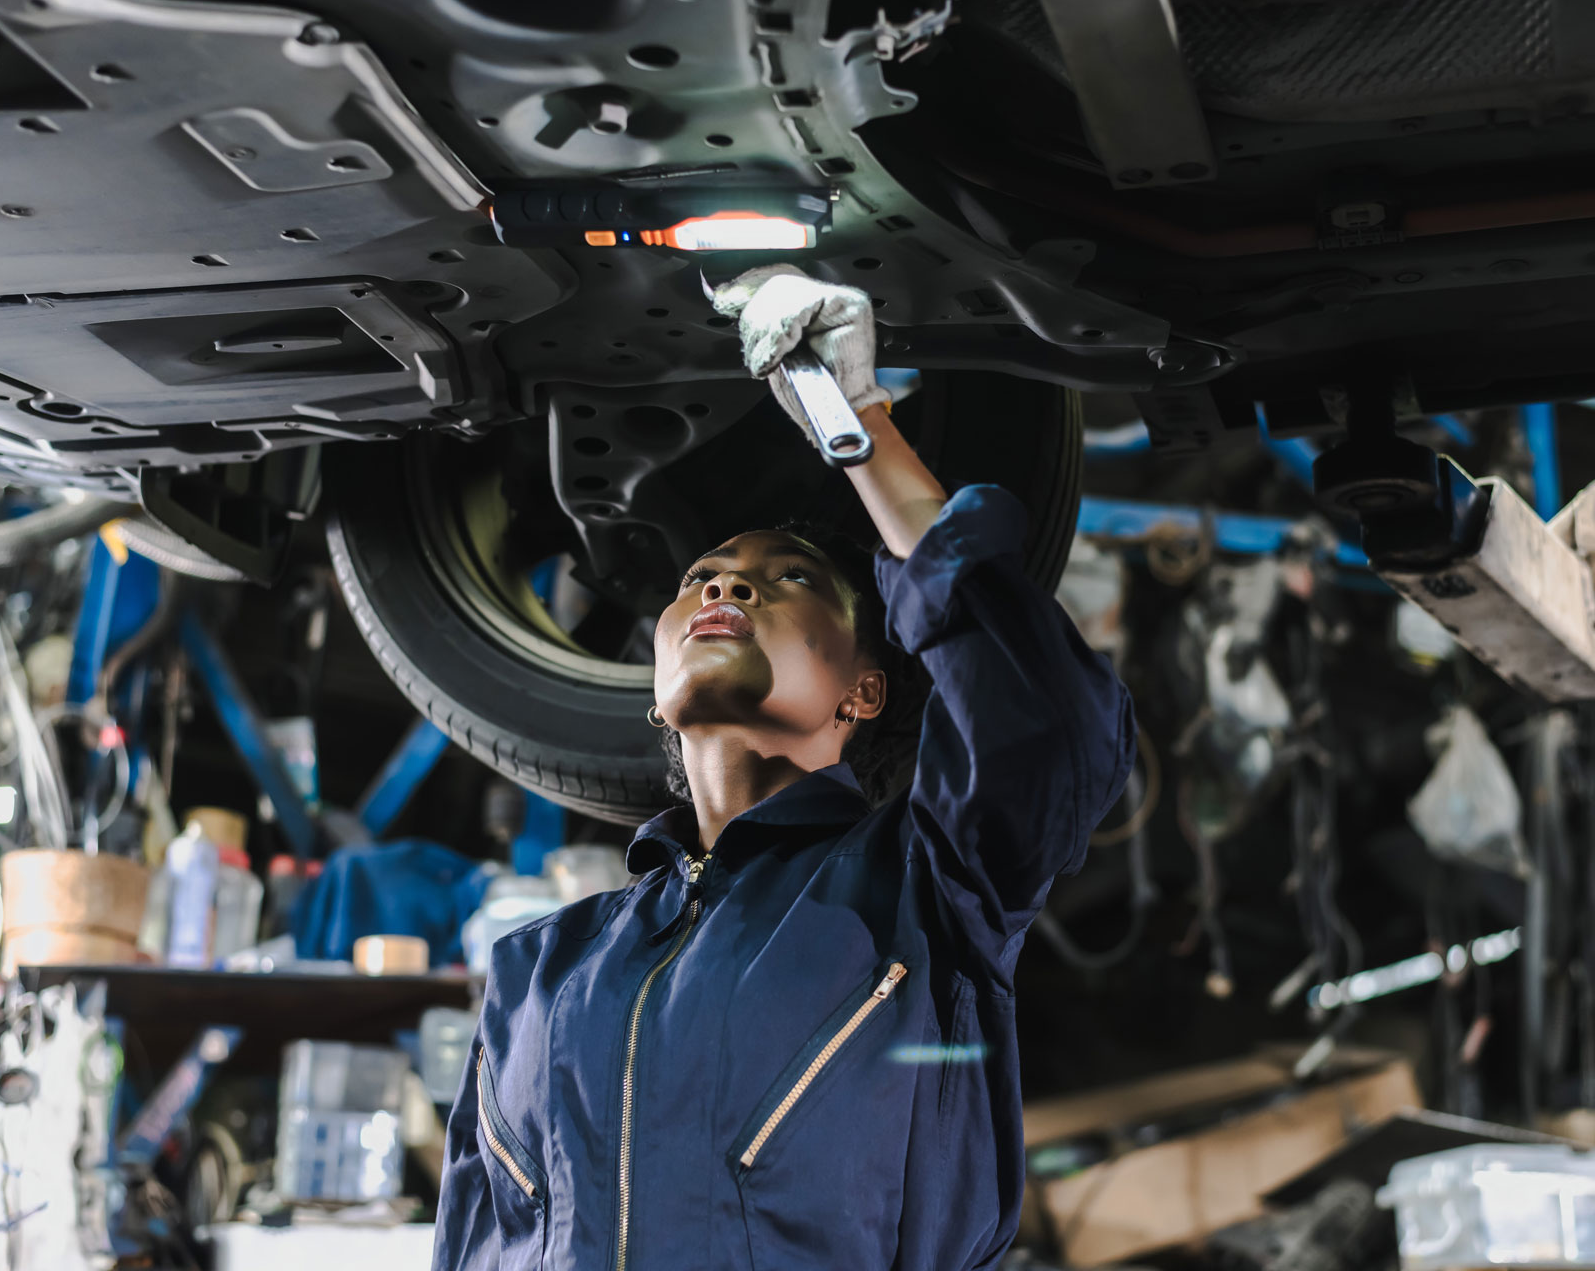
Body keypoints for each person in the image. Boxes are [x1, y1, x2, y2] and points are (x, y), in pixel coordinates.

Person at [434, 266, 1134, 1270]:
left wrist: (858, 426)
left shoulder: (926, 894)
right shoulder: (538, 968)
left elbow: (1050, 720)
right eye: (700, 579)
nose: (725, 582)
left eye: (787, 580)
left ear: (865, 688)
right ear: (657, 689)